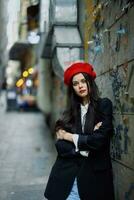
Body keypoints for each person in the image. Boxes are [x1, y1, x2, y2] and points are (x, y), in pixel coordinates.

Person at [44, 61, 115, 200]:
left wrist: (69, 137)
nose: (80, 86)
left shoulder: (103, 105)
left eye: (83, 81)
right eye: (75, 84)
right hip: (67, 179)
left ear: (90, 82)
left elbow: (99, 141)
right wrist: (87, 141)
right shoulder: (69, 113)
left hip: (94, 180)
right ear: (72, 88)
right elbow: (60, 146)